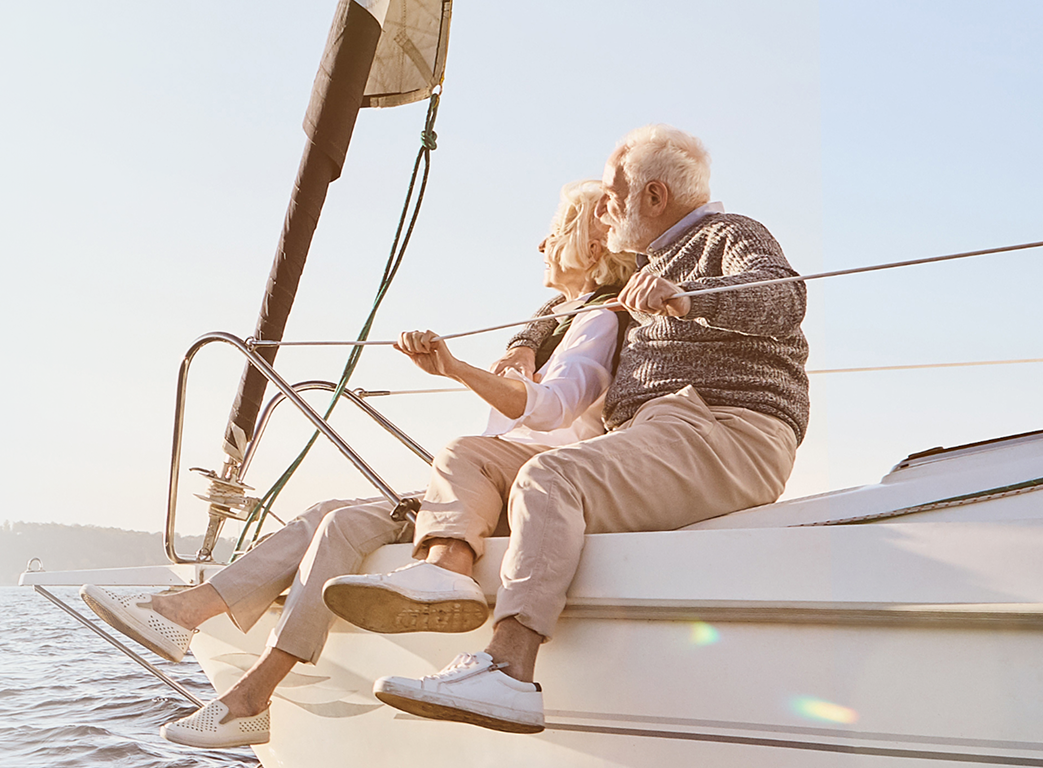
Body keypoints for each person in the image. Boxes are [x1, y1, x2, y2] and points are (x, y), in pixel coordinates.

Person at [79, 179, 636, 749]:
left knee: (352, 515)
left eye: (555, 231)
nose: (541, 244)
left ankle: (231, 672)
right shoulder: (556, 324)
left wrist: (457, 369)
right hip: (485, 486)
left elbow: (552, 409)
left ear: (592, 245)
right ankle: (206, 640)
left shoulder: (600, 322)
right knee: (333, 517)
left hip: (530, 491)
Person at [358, 124, 809, 735]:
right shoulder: (643, 266)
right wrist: (523, 343)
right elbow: (568, 304)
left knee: (550, 476)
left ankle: (508, 671)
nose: (603, 211)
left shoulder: (727, 234)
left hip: (724, 428)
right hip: (657, 432)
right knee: (468, 454)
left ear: (654, 197)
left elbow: (783, 297)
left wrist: (687, 296)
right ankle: (444, 576)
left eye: (612, 197)